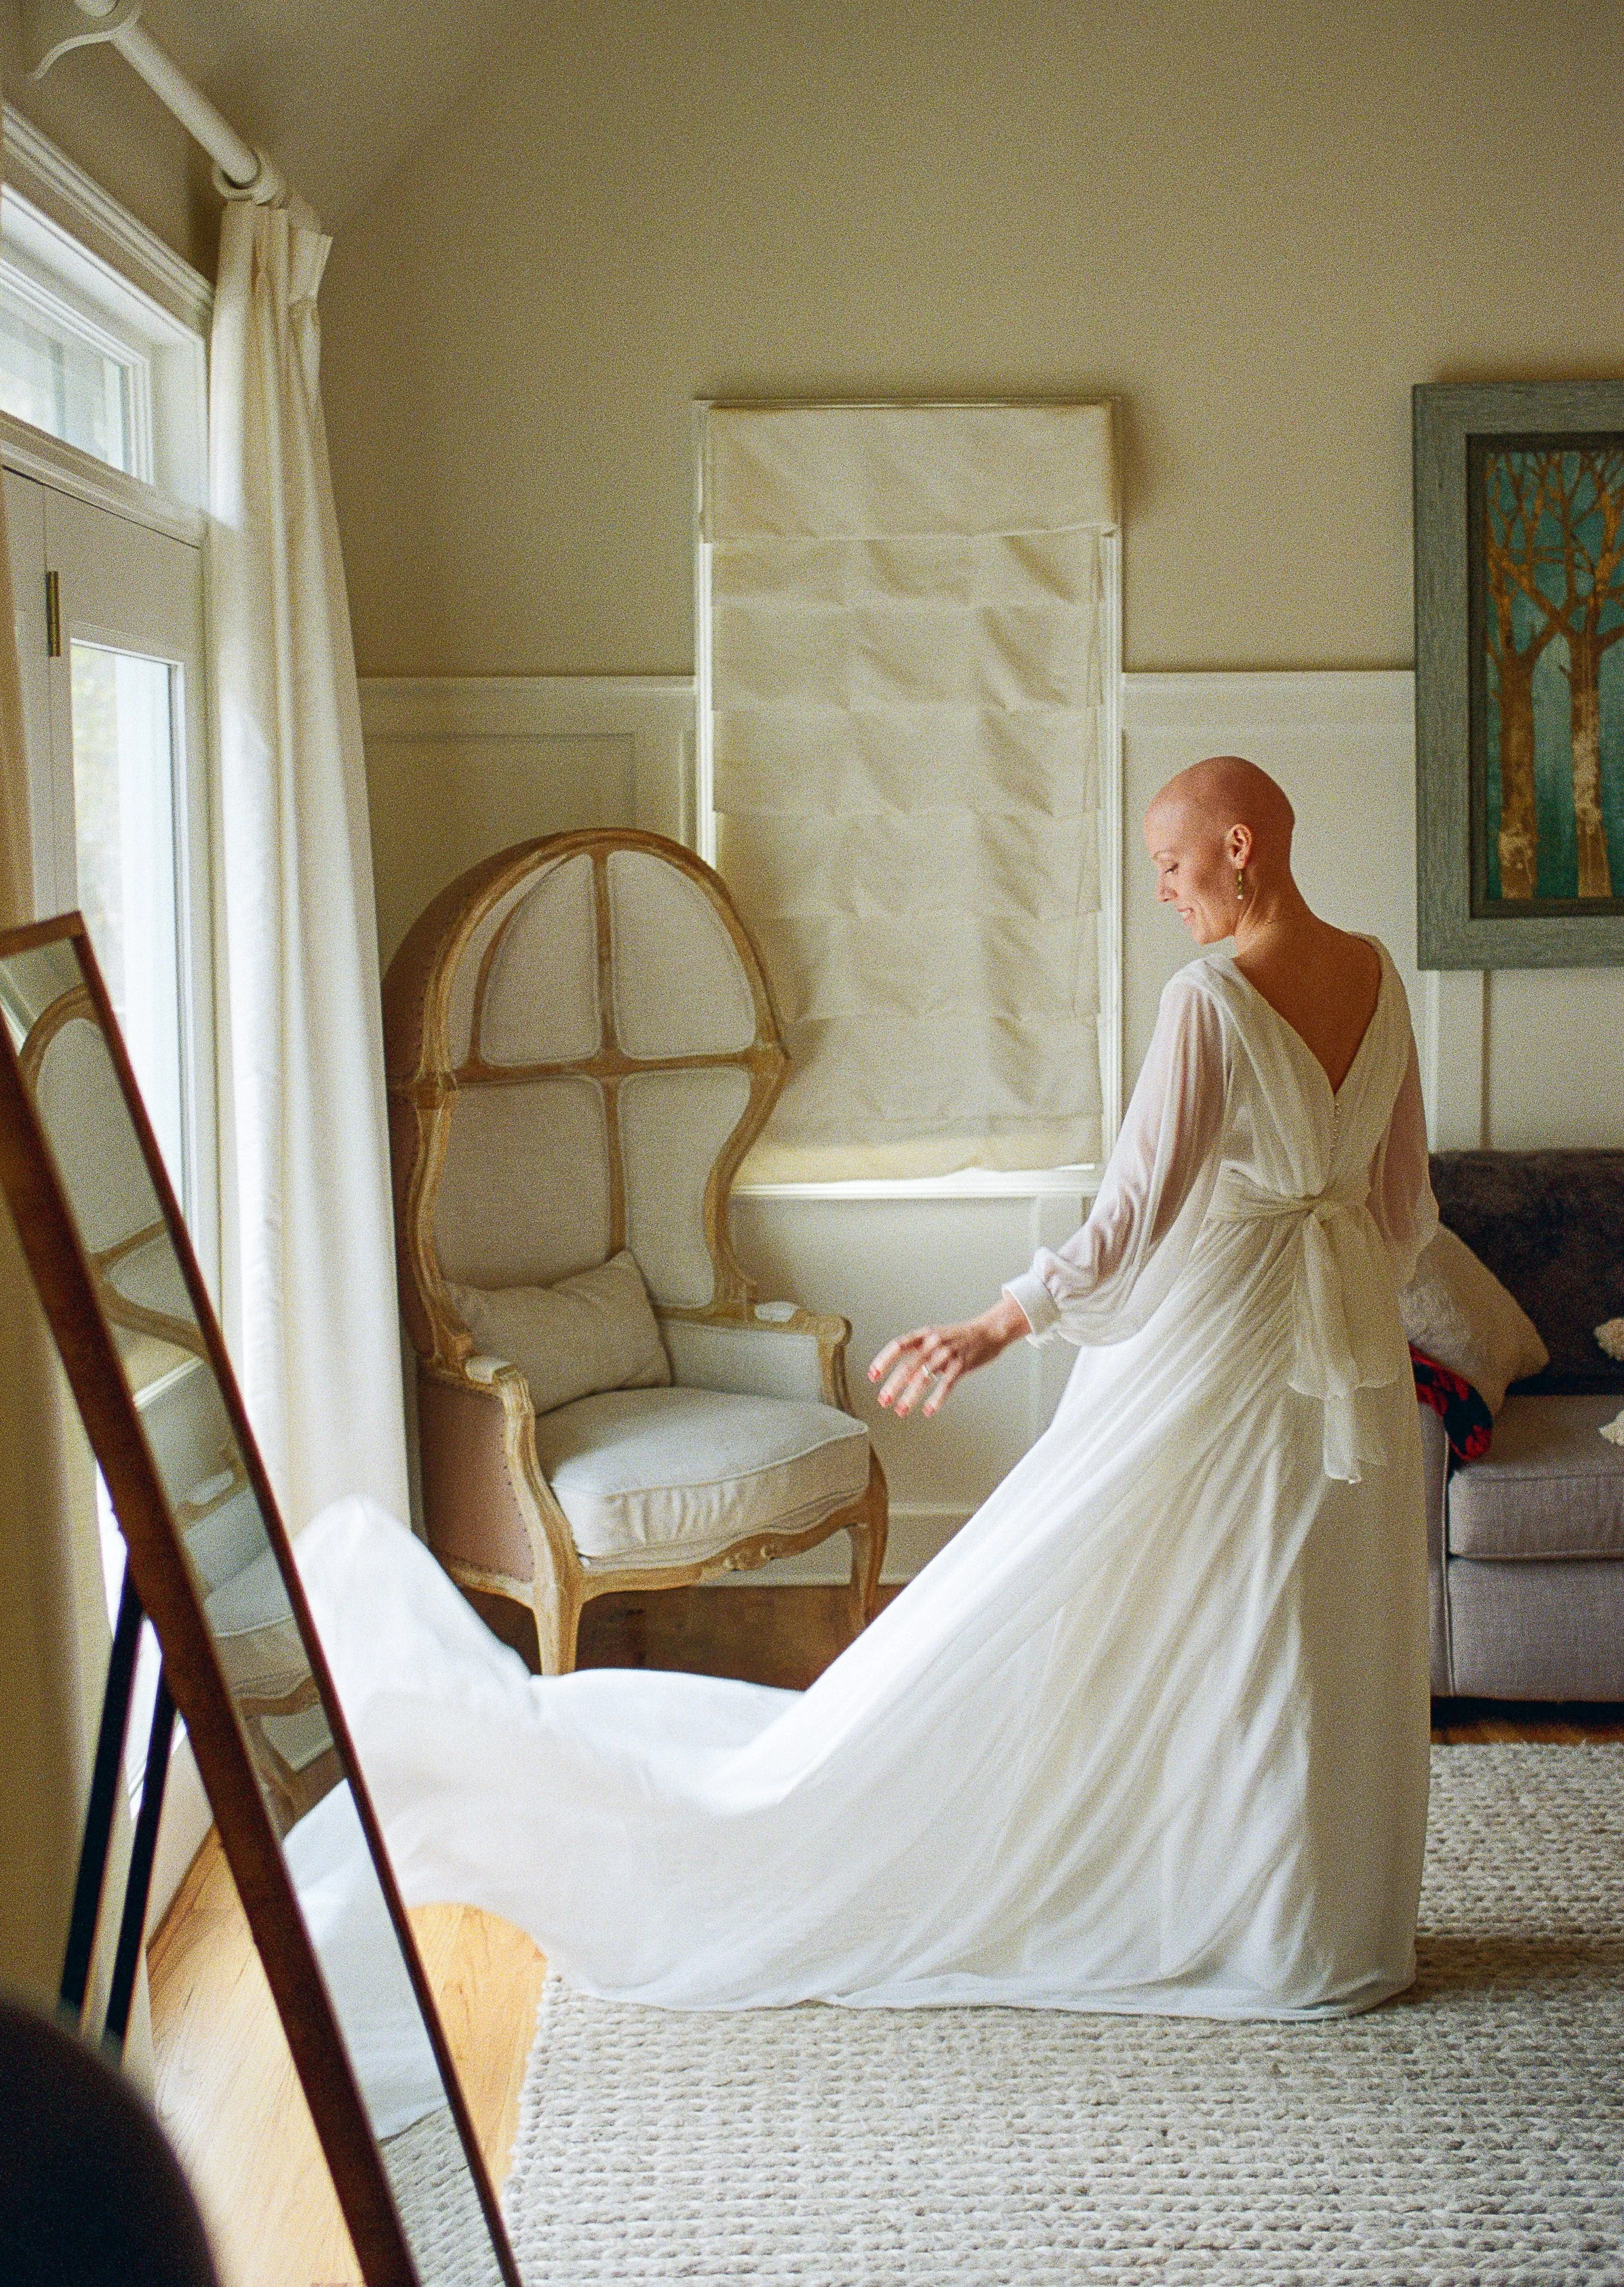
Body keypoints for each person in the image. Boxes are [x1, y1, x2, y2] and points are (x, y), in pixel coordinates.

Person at [298, 755, 1437, 2021]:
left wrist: (997, 1326)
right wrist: (1346, 1324)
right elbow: (1401, 1211)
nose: (1164, 893)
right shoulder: (1380, 975)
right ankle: (1308, 1921)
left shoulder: (1208, 1001)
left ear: (1239, 845)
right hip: (1350, 1366)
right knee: (1305, 1616)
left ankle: (1232, 1898)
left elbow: (1129, 1219)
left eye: (1170, 866)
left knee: (1206, 1610)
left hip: (1222, 1354)